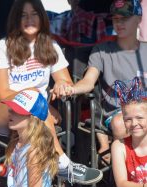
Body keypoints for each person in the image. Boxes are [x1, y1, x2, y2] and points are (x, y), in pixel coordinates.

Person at [0, 0, 102, 185]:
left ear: (42, 17)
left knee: (35, 108)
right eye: (23, 15)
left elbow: (66, 81)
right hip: (0, 111)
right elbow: (2, 92)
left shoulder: (51, 46)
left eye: (34, 14)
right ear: (15, 19)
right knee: (33, 98)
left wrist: (62, 86)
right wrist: (42, 105)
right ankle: (62, 164)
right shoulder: (2, 46)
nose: (29, 19)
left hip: (36, 116)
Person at [62, 0, 147, 161]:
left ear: (138, 19)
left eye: (125, 18)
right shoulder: (102, 51)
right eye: (115, 19)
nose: (119, 23)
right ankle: (128, 177)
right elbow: (88, 81)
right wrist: (71, 89)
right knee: (122, 123)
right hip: (118, 113)